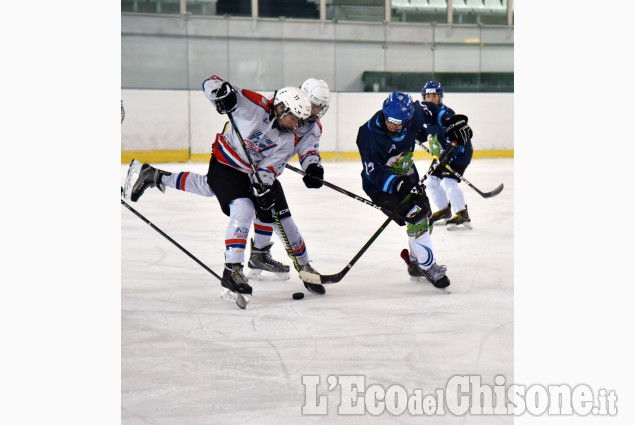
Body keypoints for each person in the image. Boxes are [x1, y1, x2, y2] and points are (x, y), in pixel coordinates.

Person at [126, 75, 326, 298]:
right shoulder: (253, 105)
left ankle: (301, 265)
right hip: (226, 164)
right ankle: (233, 269)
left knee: (275, 212)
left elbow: (269, 169)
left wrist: (266, 187)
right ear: (281, 108)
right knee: (243, 208)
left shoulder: (288, 137)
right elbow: (212, 83)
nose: (297, 126)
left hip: (251, 172)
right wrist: (223, 95)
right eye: (294, 119)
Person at [355, 91, 472, 289]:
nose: (392, 125)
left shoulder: (416, 112)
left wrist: (452, 123)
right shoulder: (368, 134)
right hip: (380, 187)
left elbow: (436, 111)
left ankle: (415, 261)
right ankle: (429, 266)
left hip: (408, 176)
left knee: (426, 217)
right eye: (389, 120)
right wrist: (398, 184)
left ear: (409, 118)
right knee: (416, 216)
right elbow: (373, 171)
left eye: (398, 122)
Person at [420, 81, 474, 230]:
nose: (430, 99)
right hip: (443, 154)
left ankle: (462, 214)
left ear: (440, 97)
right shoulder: (426, 115)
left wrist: (448, 155)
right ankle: (444, 210)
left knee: (449, 182)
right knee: (431, 181)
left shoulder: (445, 114)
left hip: (460, 153)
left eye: (433, 95)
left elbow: (456, 138)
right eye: (427, 96)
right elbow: (426, 133)